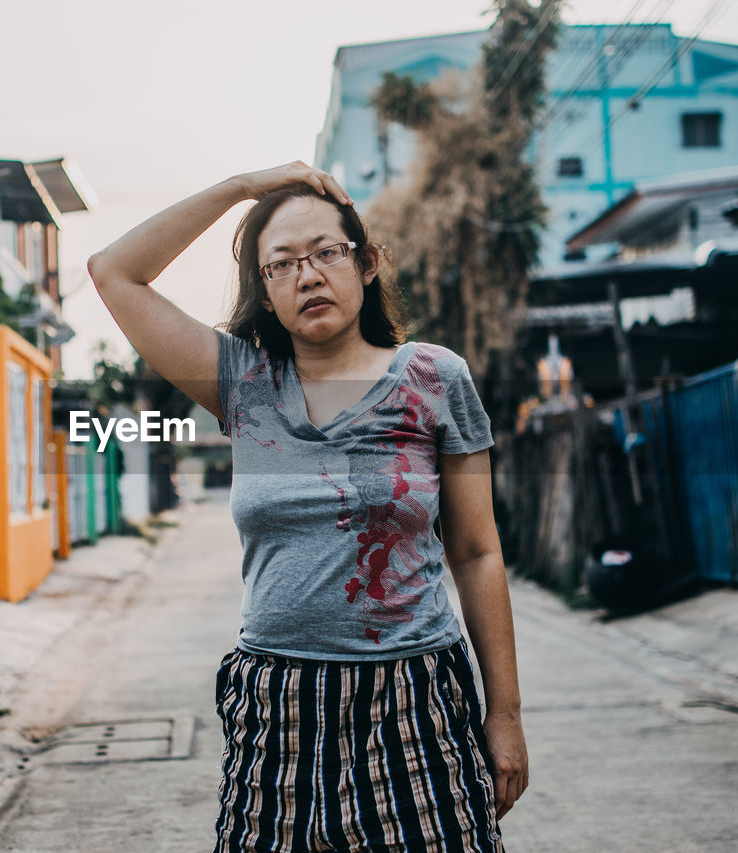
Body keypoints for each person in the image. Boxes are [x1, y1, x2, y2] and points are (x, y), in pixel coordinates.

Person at [88, 162, 527, 853]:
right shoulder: (241, 384)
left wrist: (504, 714)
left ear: (368, 263)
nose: (309, 275)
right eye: (281, 264)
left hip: (414, 700)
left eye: (327, 252)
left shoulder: (435, 378)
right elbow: (114, 271)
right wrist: (241, 188)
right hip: (278, 707)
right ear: (264, 294)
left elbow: (476, 552)